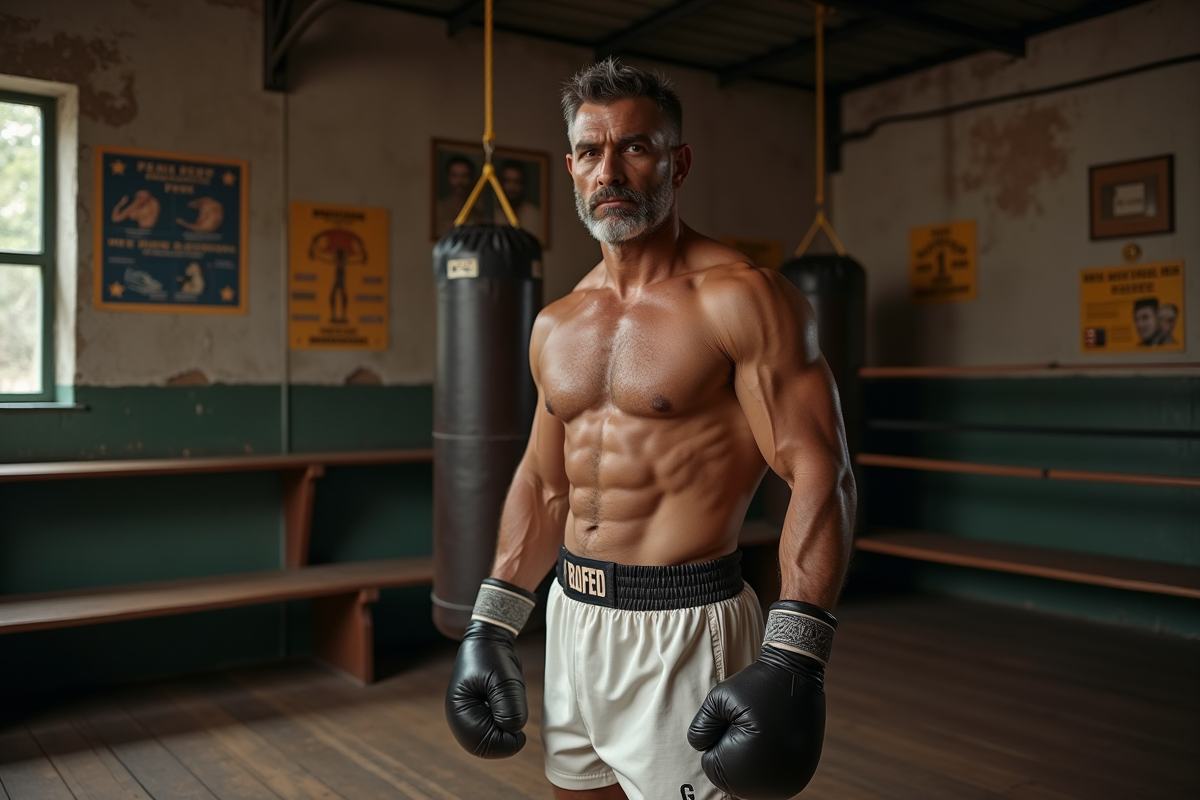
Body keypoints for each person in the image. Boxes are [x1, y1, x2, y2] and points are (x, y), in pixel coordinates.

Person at [445, 59, 855, 800]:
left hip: (685, 626)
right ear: (570, 166)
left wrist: (797, 654)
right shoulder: (557, 322)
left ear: (677, 161)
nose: (611, 171)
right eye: (592, 152)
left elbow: (820, 471)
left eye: (635, 147)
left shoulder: (742, 299)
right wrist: (491, 624)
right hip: (575, 618)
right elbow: (543, 485)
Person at [435, 154, 484, 237]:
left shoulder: (478, 216)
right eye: (455, 175)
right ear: (448, 178)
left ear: (472, 179)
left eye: (465, 176)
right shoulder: (437, 210)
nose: (460, 181)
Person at [493, 159, 543, 241]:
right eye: (507, 181)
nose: (511, 188)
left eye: (516, 182)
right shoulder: (493, 215)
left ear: (523, 185)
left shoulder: (534, 215)